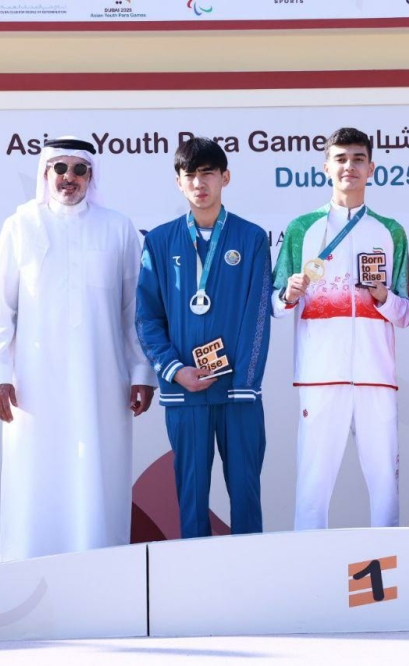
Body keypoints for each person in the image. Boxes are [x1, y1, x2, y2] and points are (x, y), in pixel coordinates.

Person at [0, 136, 156, 562]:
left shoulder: (117, 227)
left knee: (97, 479)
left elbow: (135, 310)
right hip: (33, 383)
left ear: (91, 176)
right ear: (46, 173)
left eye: (79, 169)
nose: (69, 178)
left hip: (102, 380)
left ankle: (100, 572)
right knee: (34, 479)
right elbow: (0, 308)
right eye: (60, 168)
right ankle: (29, 576)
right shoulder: (20, 226)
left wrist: (142, 373)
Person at [272, 127, 409, 530]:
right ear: (325, 168)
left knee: (385, 486)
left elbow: (406, 312)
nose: (349, 166)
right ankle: (307, 563)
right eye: (340, 158)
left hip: (376, 376)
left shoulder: (391, 231)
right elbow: (274, 304)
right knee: (312, 487)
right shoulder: (301, 228)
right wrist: (289, 294)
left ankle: (389, 563)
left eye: (357, 159)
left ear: (371, 168)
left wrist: (383, 298)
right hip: (320, 376)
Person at [136, 137, 271, 537]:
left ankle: (250, 572)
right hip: (185, 390)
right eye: (190, 175)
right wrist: (175, 371)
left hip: (238, 393)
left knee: (245, 494)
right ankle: (195, 574)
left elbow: (258, 315)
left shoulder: (251, 238)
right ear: (178, 182)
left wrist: (244, 383)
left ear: (225, 177)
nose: (199, 183)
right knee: (191, 497)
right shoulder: (160, 241)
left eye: (208, 173)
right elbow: (147, 317)